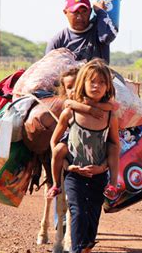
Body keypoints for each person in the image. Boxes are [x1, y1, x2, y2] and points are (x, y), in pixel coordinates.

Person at [49, 58, 120, 253]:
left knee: (92, 220)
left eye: (101, 82)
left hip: (98, 177)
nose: (96, 86)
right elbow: (54, 143)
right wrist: (68, 165)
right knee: (78, 214)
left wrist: (107, 173)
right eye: (92, 81)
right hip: (74, 176)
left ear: (108, 86)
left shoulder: (110, 115)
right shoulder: (69, 113)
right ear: (82, 83)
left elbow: (114, 145)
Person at [47, 67, 119, 201]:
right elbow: (68, 102)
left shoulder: (104, 107)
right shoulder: (70, 106)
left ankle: (113, 185)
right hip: (72, 141)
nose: (73, 90)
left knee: (113, 147)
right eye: (69, 87)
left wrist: (90, 104)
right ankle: (56, 185)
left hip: (96, 147)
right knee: (59, 149)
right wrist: (65, 164)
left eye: (76, 86)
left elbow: (110, 106)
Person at [45, 0, 117, 64]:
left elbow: (107, 37)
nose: (80, 17)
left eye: (84, 11)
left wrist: (100, 11)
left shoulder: (99, 30)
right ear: (65, 12)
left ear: (90, 11)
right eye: (75, 12)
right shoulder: (58, 42)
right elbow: (48, 70)